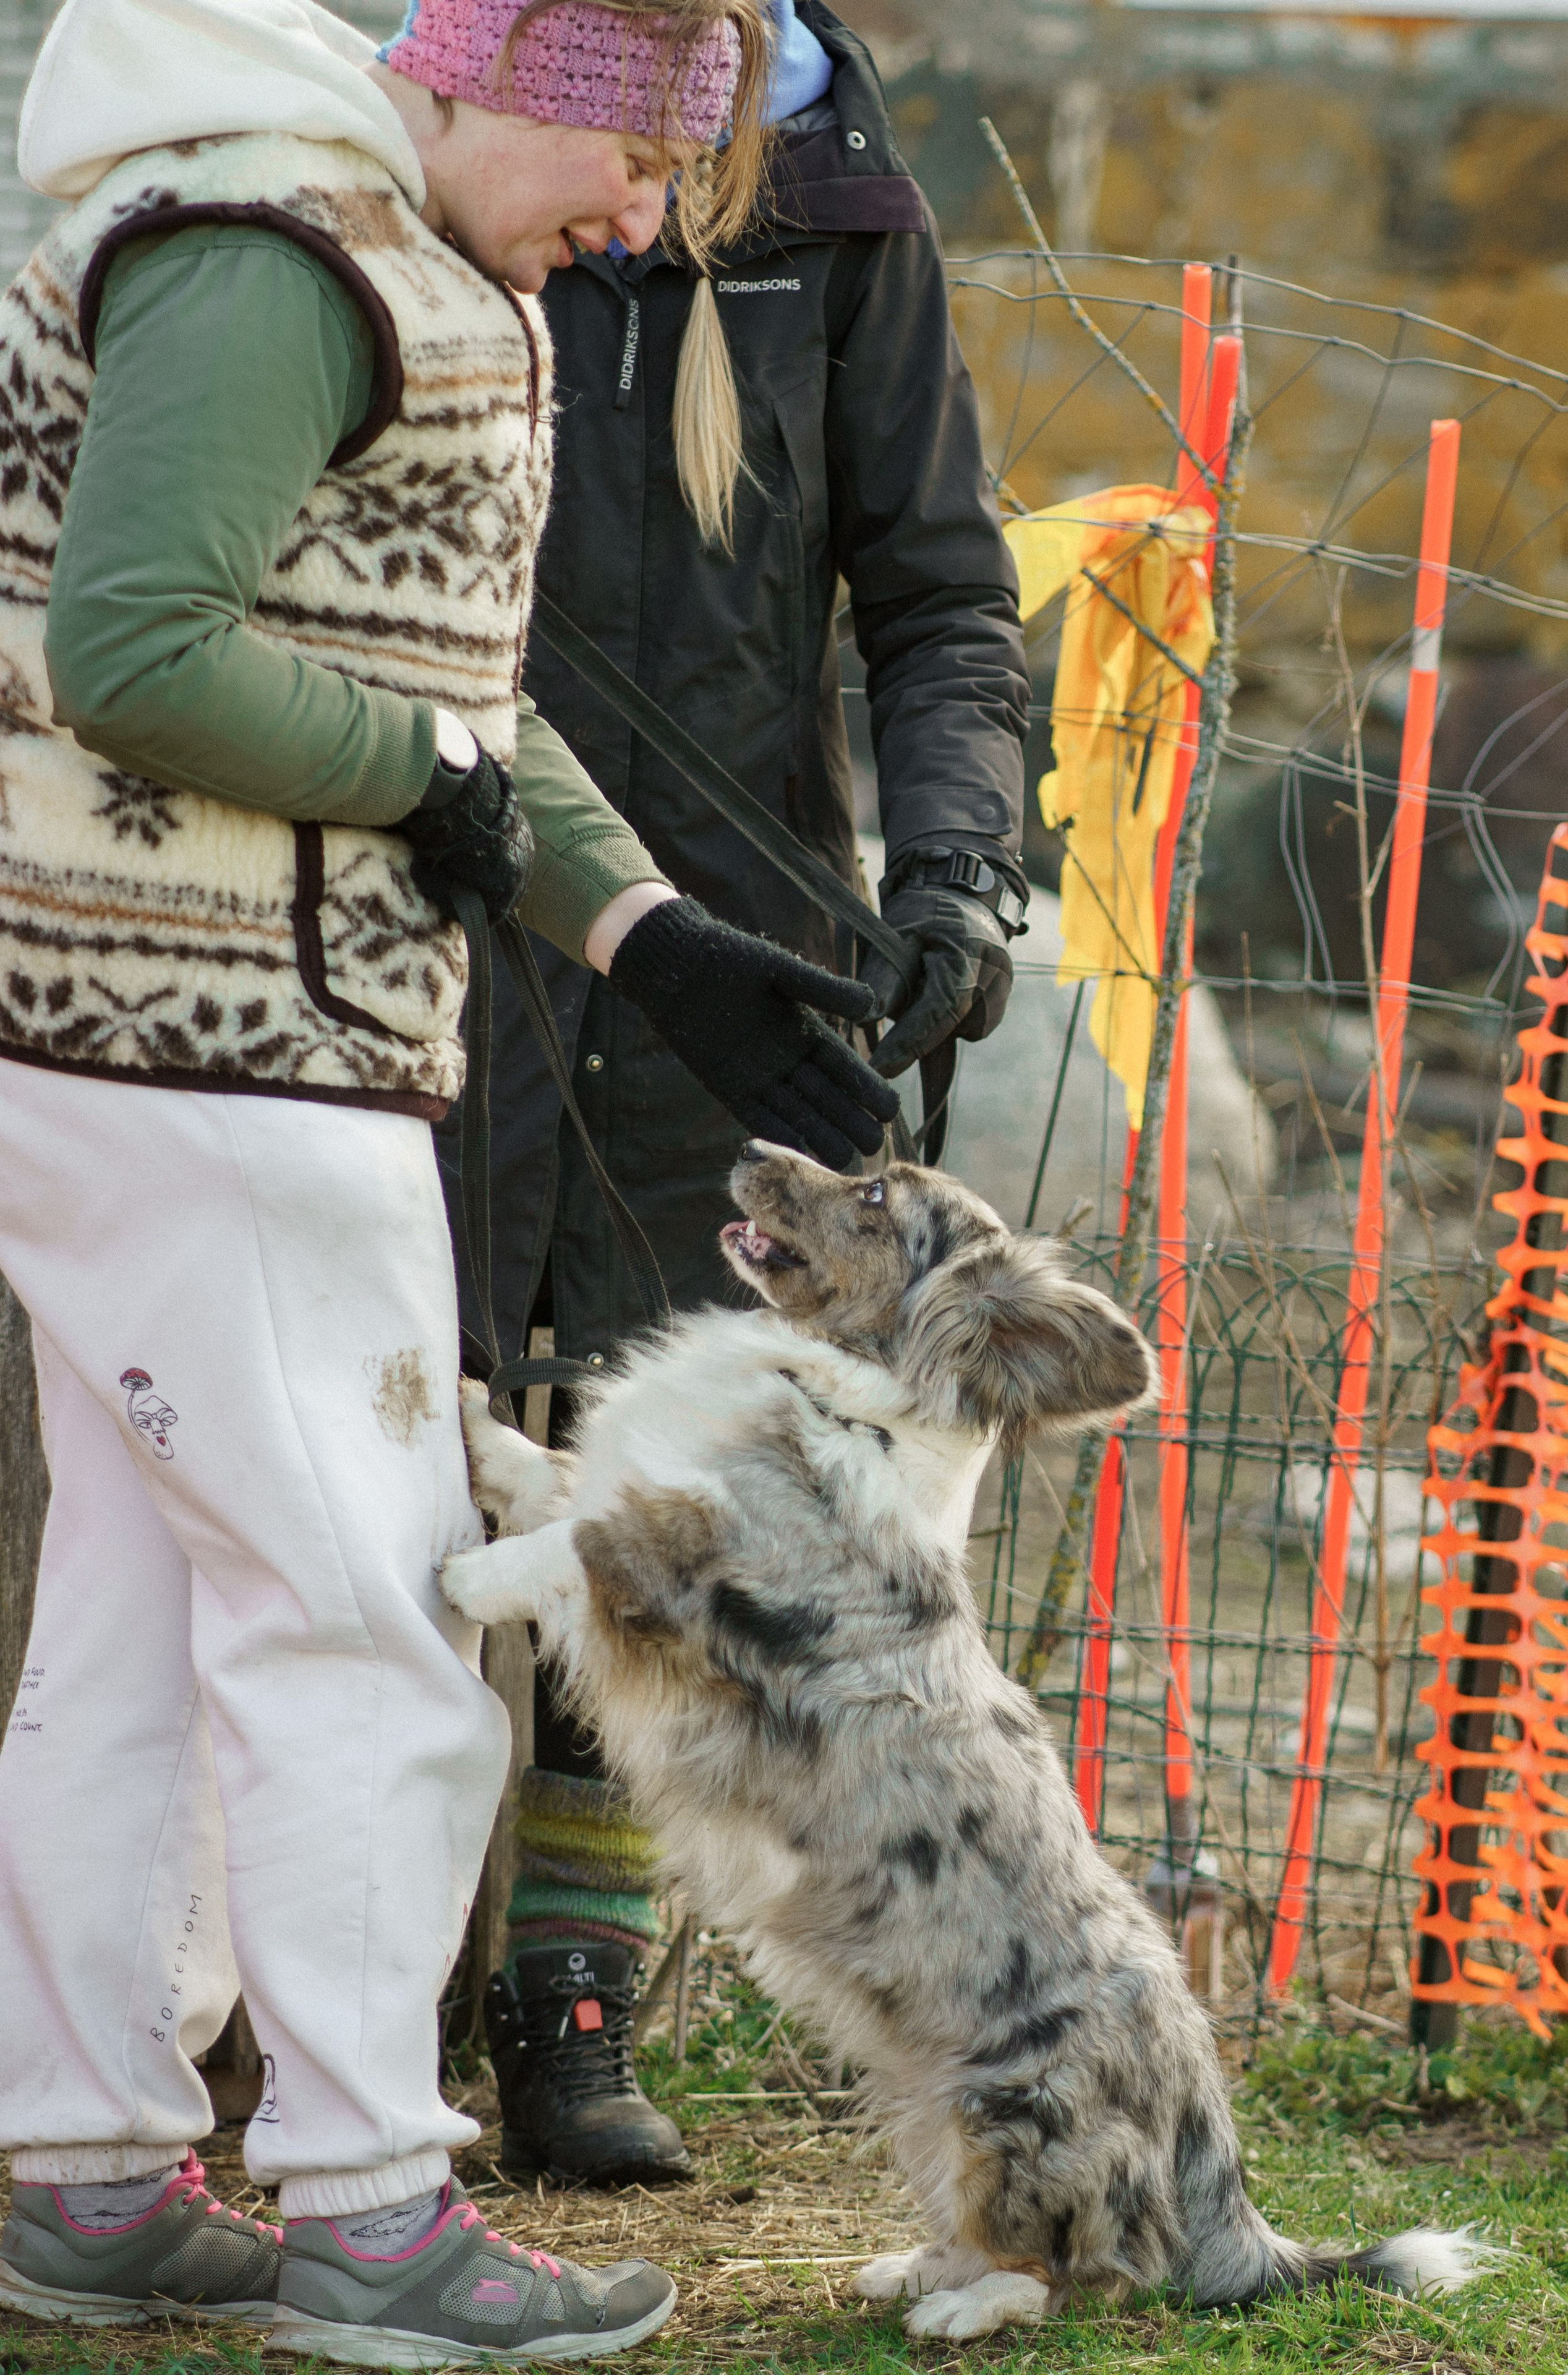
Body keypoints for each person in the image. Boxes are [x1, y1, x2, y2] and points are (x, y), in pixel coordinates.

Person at [0, 0, 898, 2361]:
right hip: (229, 1051)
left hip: (174, 1039)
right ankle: (373, 2203)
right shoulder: (275, 251)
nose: (636, 225)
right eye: (635, 165)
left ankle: (87, 2167)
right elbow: (135, 646)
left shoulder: (360, 238)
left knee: (141, 1620)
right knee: (368, 1619)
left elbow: (442, 690)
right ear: (534, 76)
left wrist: (648, 935)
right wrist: (432, 786)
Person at [461, 0, 1031, 2189]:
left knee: (675, 1469)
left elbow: (940, 591)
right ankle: (342, 1989)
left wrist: (954, 864)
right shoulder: (461, 141)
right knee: (385, 1427)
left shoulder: (848, 224)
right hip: (451, 896)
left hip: (744, 947)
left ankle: (573, 1996)